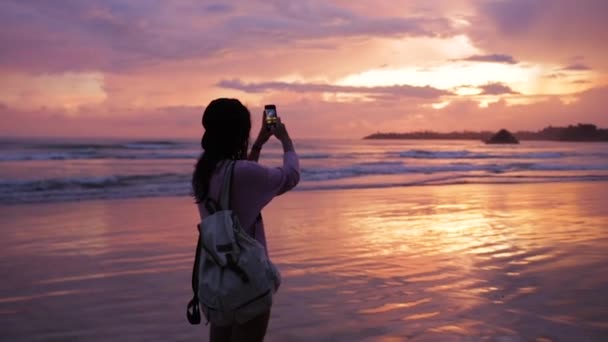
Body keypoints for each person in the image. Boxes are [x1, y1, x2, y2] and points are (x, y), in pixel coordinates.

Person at [191, 98, 300, 342]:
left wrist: (260, 142)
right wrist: (286, 140)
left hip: (217, 278)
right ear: (240, 132)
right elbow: (291, 176)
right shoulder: (243, 174)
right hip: (247, 279)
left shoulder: (204, 172)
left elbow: (238, 183)